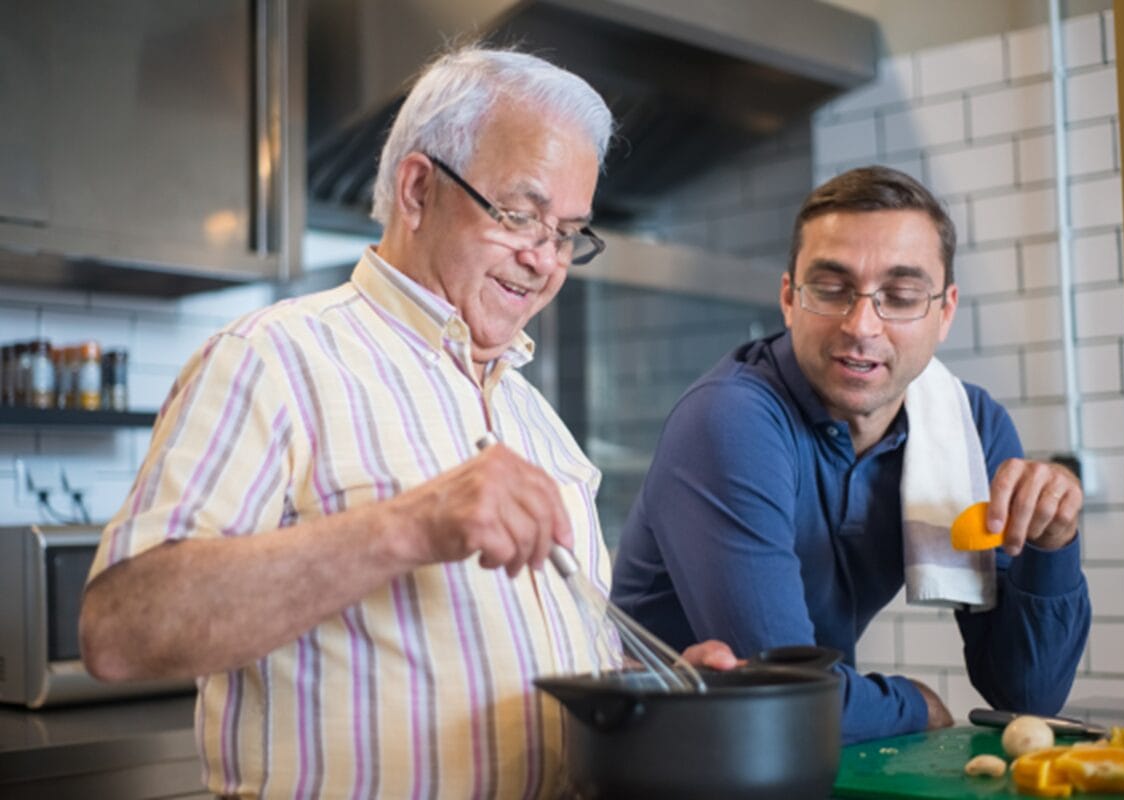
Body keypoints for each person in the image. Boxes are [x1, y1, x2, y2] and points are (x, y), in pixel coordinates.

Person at [80, 45, 733, 798]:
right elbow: (120, 628)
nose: (543, 260)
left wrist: (658, 695)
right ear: (419, 189)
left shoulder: (534, 417)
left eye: (566, 234)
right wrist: (410, 527)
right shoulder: (273, 360)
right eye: (520, 215)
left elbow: (534, 661)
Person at [611, 165, 1092, 744]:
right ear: (789, 298)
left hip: (793, 755)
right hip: (662, 755)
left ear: (944, 312)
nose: (862, 325)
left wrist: (1054, 541)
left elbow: (1026, 696)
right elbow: (784, 694)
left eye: (902, 296)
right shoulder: (729, 421)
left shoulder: (968, 429)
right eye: (832, 289)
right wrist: (917, 704)